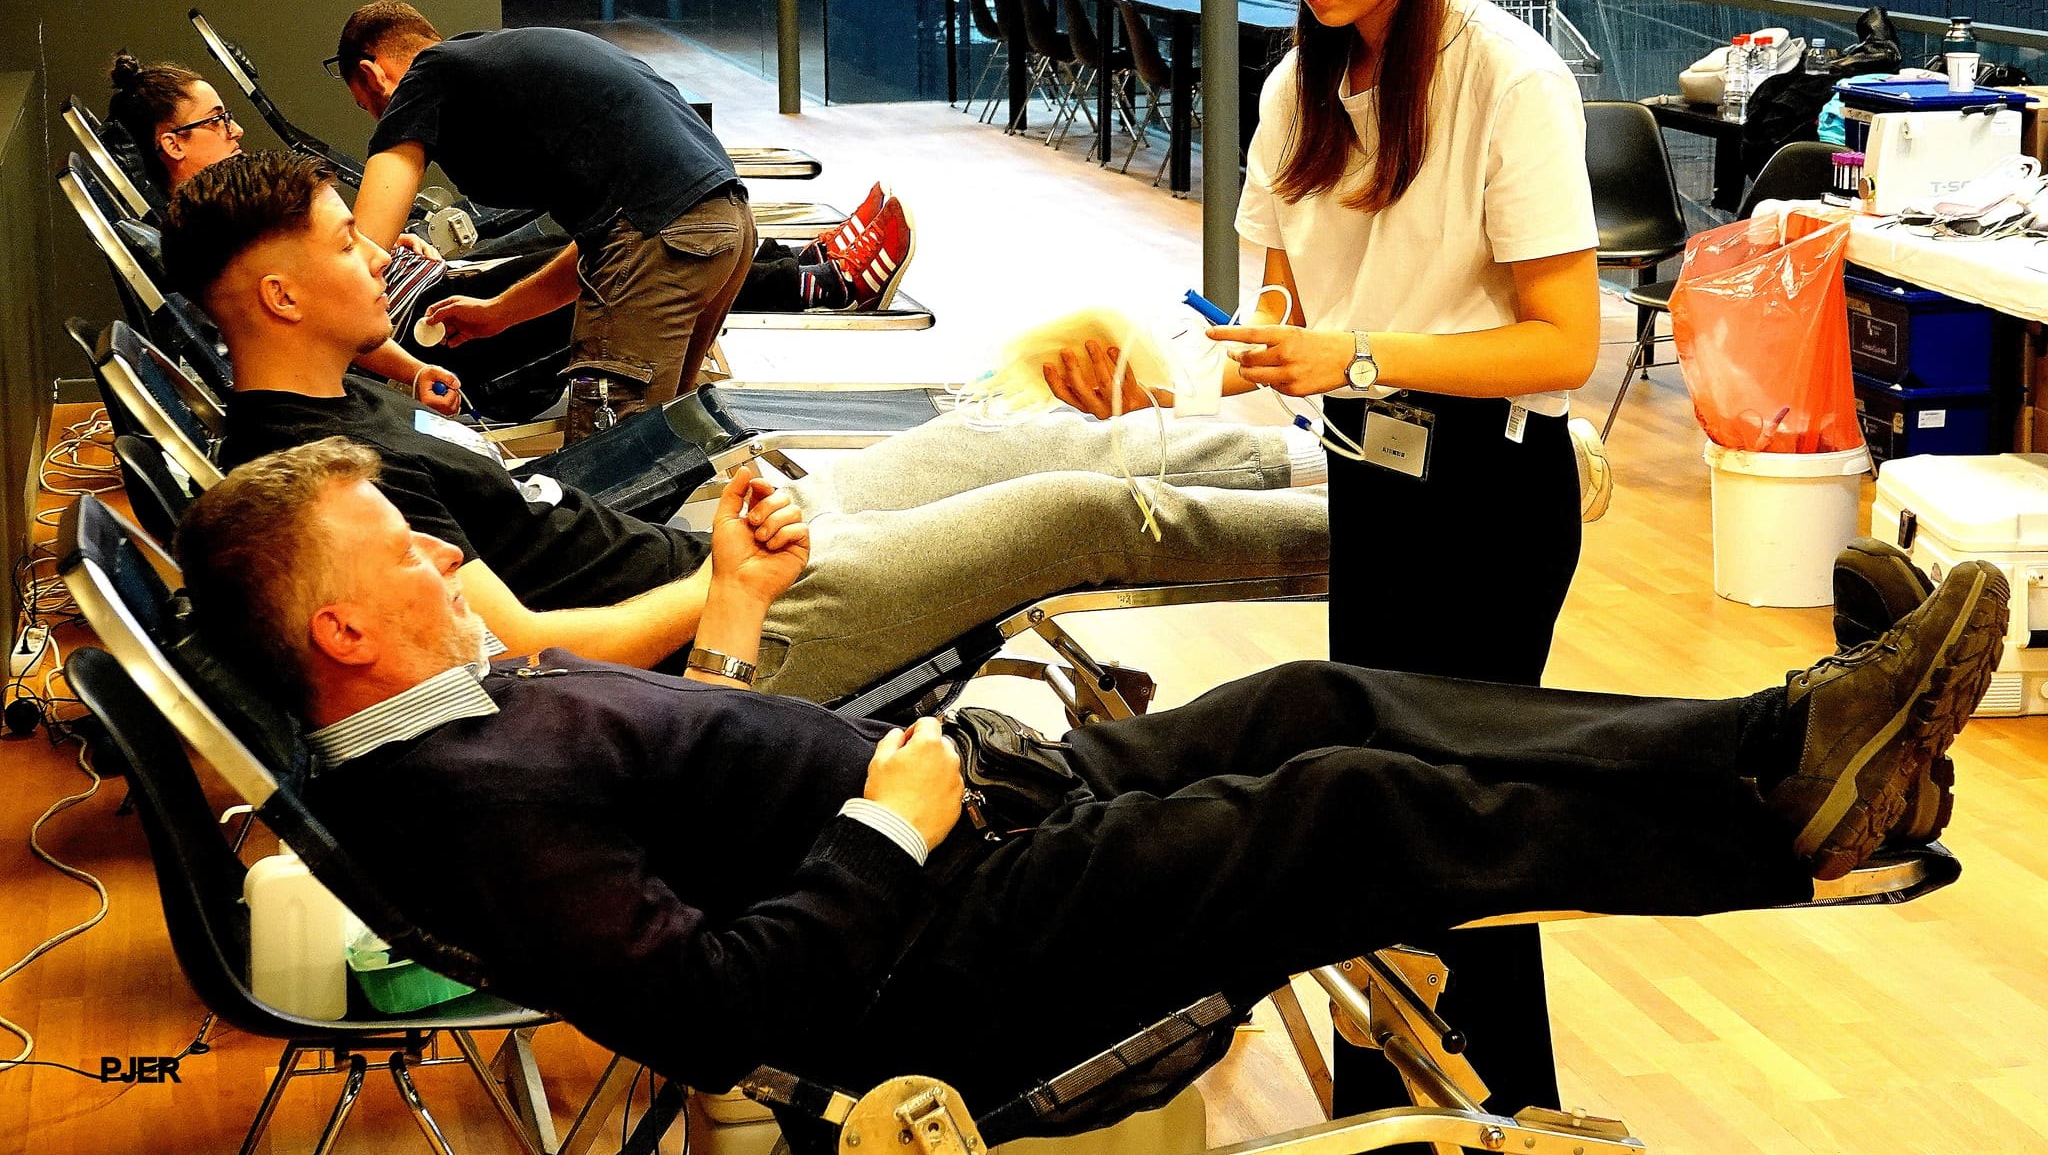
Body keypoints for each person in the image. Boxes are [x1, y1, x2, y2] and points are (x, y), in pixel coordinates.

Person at [172, 436, 2008, 1143]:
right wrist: (889, 825)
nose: (443, 548)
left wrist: (728, 622)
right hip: (945, 948)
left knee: (1308, 692)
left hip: (975, 818)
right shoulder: (460, 799)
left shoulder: (468, 714)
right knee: (1339, 809)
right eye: (403, 545)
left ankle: (1775, 738)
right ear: (344, 627)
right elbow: (716, 1010)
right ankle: (1784, 821)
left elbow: (674, 799)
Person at [1048, 0, 1603, 1129]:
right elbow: (1275, 308)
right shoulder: (1300, 82)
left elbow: (1563, 343)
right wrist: (1176, 366)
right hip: (1376, 477)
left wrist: (1351, 354)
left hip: (1489, 496)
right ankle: (1386, 1098)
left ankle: (1500, 1106)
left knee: (1459, 816)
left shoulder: (1507, 79)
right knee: (1373, 804)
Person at [160, 150, 1328, 704]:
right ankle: (1382, 541)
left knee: (1013, 436)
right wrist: (733, 582)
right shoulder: (317, 485)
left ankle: (1327, 465)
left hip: (711, 548)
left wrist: (408, 362)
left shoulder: (341, 394)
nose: (377, 255)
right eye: (345, 245)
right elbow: (520, 653)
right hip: (727, 632)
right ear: (281, 297)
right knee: (1071, 516)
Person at [332, 1, 914, 431]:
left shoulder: (427, 75)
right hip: (726, 223)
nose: (380, 119)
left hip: (667, 237)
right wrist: (499, 313)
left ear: (373, 73)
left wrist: (337, 283)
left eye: (368, 107)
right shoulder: (497, 62)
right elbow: (603, 244)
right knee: (655, 444)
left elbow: (359, 248)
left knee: (607, 462)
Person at [106, 51, 466, 416]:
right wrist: (414, 370)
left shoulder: (233, 216)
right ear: (173, 144)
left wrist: (360, 244)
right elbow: (325, 317)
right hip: (393, 325)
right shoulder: (225, 240)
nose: (236, 130)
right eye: (217, 120)